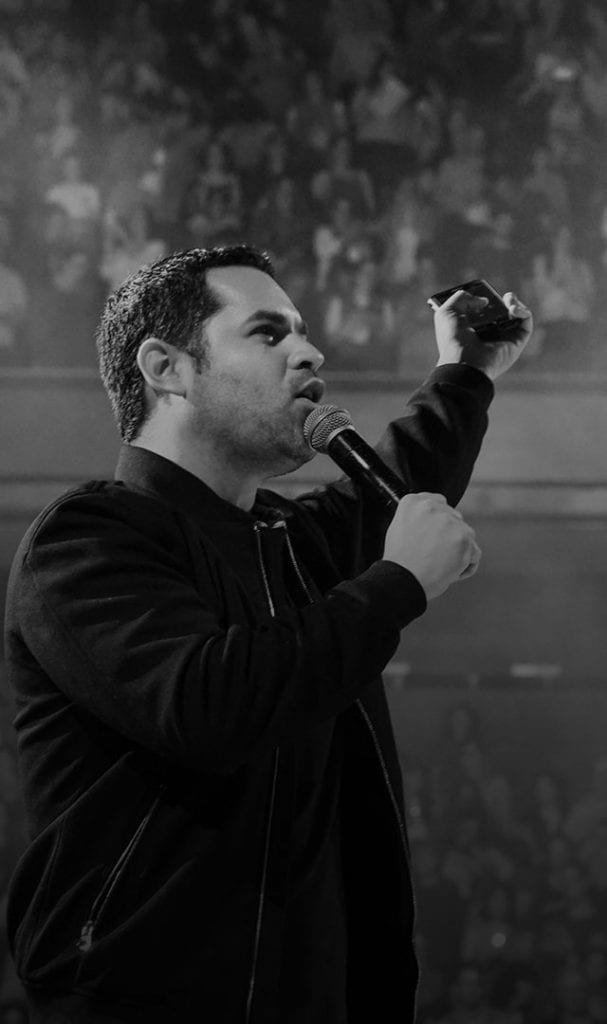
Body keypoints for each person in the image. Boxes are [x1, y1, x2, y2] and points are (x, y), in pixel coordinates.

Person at [4, 243, 532, 1023]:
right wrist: (395, 584)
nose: (309, 353)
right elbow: (210, 705)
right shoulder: (86, 541)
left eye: (304, 333)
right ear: (166, 367)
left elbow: (397, 484)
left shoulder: (283, 541)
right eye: (268, 332)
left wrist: (465, 371)